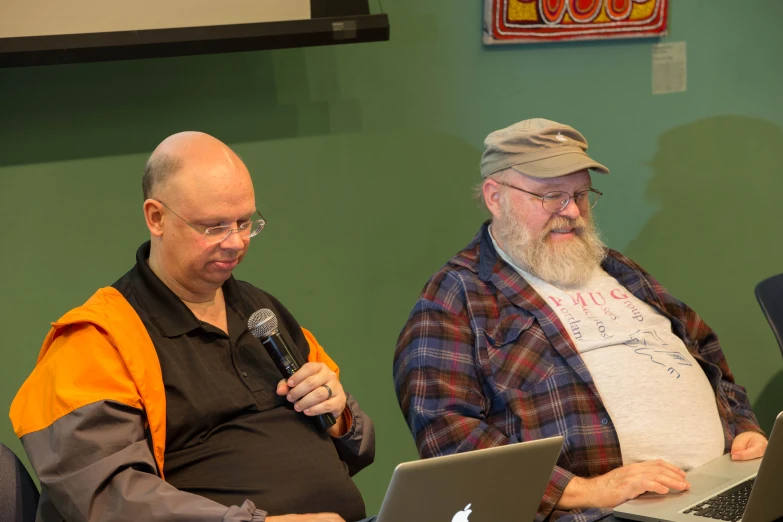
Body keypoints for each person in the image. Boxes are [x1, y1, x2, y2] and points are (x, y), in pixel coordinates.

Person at [393, 118, 768, 521]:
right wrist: (583, 489)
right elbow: (446, 436)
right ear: (495, 196)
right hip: (608, 513)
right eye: (551, 196)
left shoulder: (615, 267)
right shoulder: (456, 297)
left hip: (720, 484)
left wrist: (743, 428)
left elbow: (705, 350)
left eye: (581, 195)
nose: (571, 211)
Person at [10, 132, 375, 522]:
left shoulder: (262, 311)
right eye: (214, 226)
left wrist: (338, 417)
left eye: (244, 222)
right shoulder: (97, 338)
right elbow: (109, 497)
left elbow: (360, 445)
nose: (235, 242)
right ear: (156, 217)